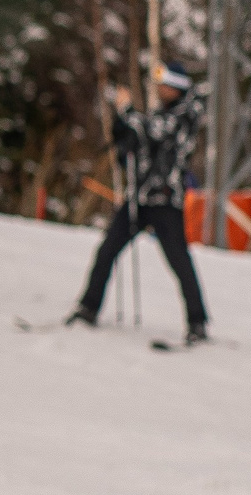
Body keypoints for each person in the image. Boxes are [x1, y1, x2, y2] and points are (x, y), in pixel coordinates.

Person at [68, 67, 210, 344]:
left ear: (176, 87)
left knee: (178, 260)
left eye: (164, 84)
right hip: (139, 198)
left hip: (166, 201)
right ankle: (88, 307)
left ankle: (198, 322)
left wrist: (128, 110)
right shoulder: (160, 112)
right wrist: (122, 131)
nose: (159, 89)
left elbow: (156, 133)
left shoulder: (186, 113)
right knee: (107, 249)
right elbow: (140, 145)